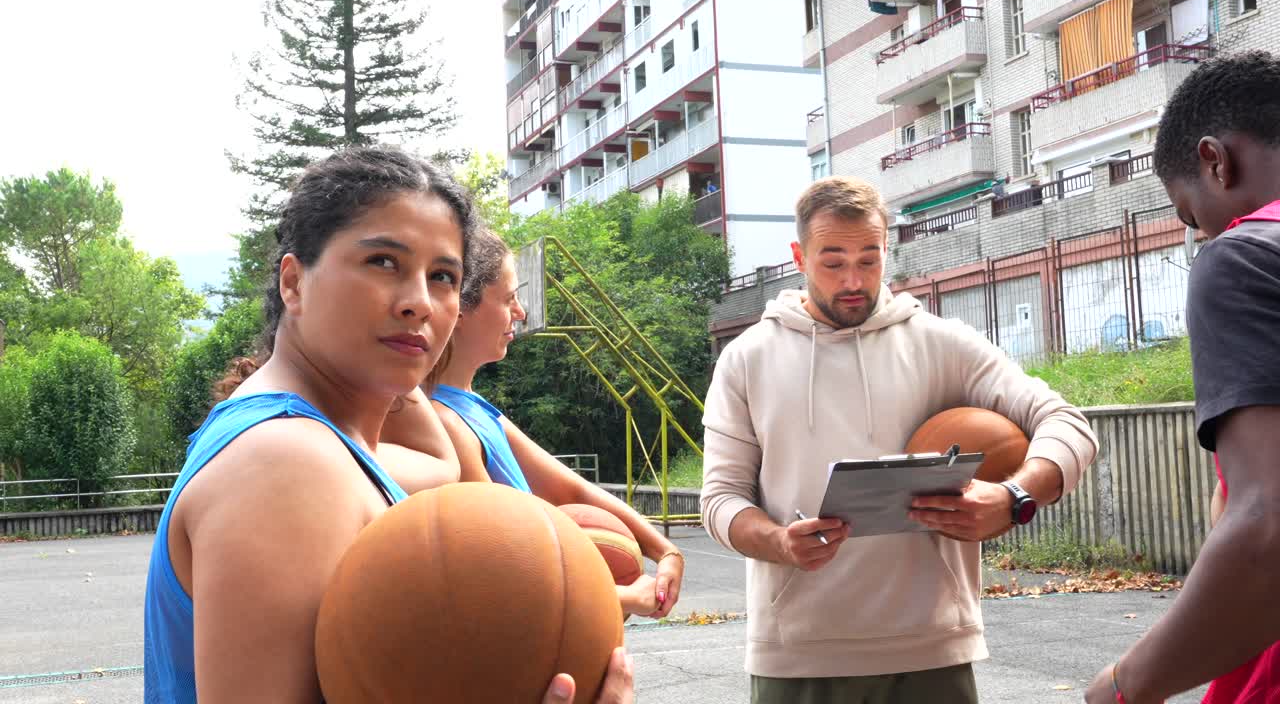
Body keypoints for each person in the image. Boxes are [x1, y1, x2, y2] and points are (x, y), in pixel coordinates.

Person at [142, 147, 634, 704]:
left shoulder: (328, 442)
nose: (419, 303)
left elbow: (443, 466)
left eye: (443, 276)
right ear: (293, 283)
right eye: (383, 262)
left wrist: (392, 384)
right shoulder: (288, 465)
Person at [700, 175, 1099, 703]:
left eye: (869, 259)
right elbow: (719, 499)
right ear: (800, 255)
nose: (853, 280)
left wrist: (1013, 498)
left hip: (931, 647)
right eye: (833, 260)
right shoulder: (748, 358)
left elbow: (1069, 423)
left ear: (887, 250)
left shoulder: (943, 344)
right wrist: (778, 543)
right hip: (798, 651)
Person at [1084, 50, 1280, 704]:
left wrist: (1125, 685)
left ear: (1215, 162)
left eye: (1189, 216)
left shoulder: (1245, 255)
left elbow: (1268, 524)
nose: (1199, 238)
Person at [381, 226, 686, 620]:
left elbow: (570, 488)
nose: (521, 312)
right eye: (509, 298)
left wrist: (665, 551)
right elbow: (505, 564)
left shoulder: (475, 409)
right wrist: (626, 598)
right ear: (460, 311)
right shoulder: (443, 425)